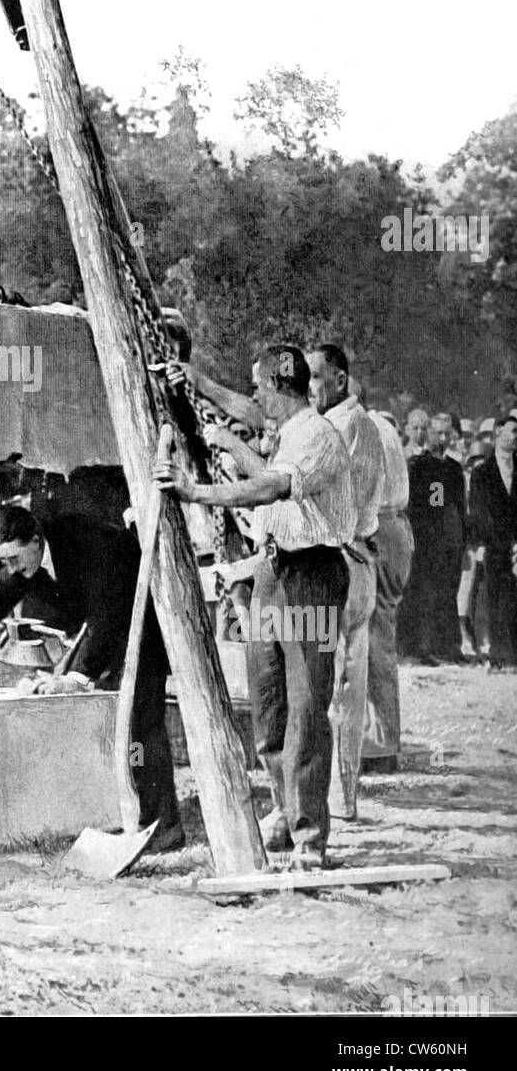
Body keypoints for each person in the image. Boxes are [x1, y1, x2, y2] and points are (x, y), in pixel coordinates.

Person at [156, 345, 354, 868]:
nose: (255, 395)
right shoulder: (288, 431)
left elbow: (270, 487)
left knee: (306, 709)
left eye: (259, 386)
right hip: (272, 571)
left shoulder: (316, 434)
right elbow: (264, 458)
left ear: (277, 385)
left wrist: (196, 491)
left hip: (311, 574)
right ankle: (288, 815)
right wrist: (204, 396)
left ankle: (310, 837)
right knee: (269, 708)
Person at [0, 504, 186, 852]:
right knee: (103, 727)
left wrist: (76, 676)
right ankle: (123, 818)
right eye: (4, 561)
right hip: (98, 633)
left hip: (141, 627)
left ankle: (163, 827)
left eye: (14, 558)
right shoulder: (22, 559)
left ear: (35, 540)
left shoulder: (89, 543)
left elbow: (109, 616)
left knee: (139, 726)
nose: (11, 568)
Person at [306, 345, 384, 821]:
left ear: (338, 380)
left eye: (315, 377)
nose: (309, 387)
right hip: (361, 558)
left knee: (331, 687)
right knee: (350, 688)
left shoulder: (340, 426)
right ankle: (347, 794)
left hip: (341, 559)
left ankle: (336, 796)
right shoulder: (366, 423)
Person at [363, 403, 413, 773]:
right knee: (380, 637)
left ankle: (381, 744)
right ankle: (382, 738)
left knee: (373, 641)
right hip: (396, 528)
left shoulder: (363, 428)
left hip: (378, 528)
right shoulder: (383, 425)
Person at [397, 412, 466, 664]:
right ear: (429, 434)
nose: (444, 438)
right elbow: (418, 505)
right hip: (423, 538)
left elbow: (459, 505)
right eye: (439, 433)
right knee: (419, 592)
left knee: (446, 592)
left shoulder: (454, 468)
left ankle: (447, 646)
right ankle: (415, 648)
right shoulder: (419, 466)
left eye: (448, 433)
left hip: (447, 541)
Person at [468, 413, 517, 670]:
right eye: (513, 431)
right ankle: (495, 652)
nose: (516, 437)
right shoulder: (482, 473)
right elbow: (477, 510)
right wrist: (480, 543)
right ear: (499, 432)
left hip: (515, 543)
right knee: (493, 596)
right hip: (492, 543)